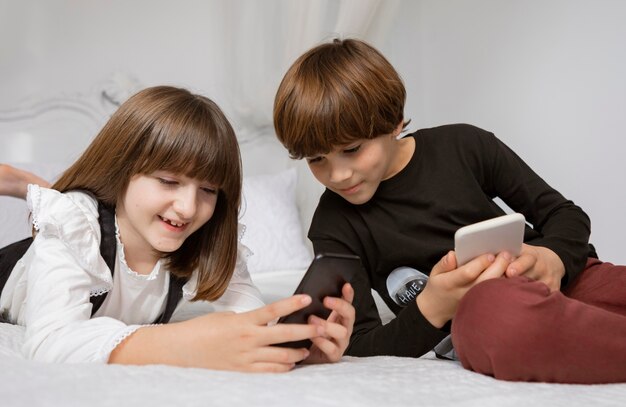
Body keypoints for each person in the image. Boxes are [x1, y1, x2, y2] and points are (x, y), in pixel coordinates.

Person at [272, 38, 626, 383]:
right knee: (491, 317)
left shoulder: (464, 146)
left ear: (394, 122)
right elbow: (360, 345)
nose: (338, 174)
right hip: (486, 317)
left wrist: (552, 259)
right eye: (316, 159)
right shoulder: (333, 226)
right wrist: (434, 307)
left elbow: (565, 215)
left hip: (564, 279)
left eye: (352, 149)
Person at [0, 85, 355, 372]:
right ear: (122, 170)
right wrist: (185, 343)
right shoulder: (75, 221)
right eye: (168, 181)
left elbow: (249, 322)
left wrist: (295, 346)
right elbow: (50, 343)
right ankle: (25, 183)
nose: (187, 208)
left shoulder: (203, 238)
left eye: (208, 190)